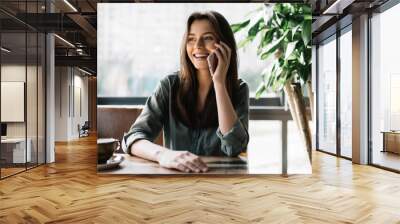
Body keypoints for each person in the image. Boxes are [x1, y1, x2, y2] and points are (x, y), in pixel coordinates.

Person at [122, 11, 249, 173]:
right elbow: (132, 139)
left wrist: (219, 82)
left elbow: (234, 147)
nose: (198, 46)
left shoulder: (239, 89)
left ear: (224, 45)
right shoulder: (169, 85)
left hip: (219, 183)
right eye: (191, 39)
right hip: (177, 181)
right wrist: (163, 155)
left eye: (208, 37)